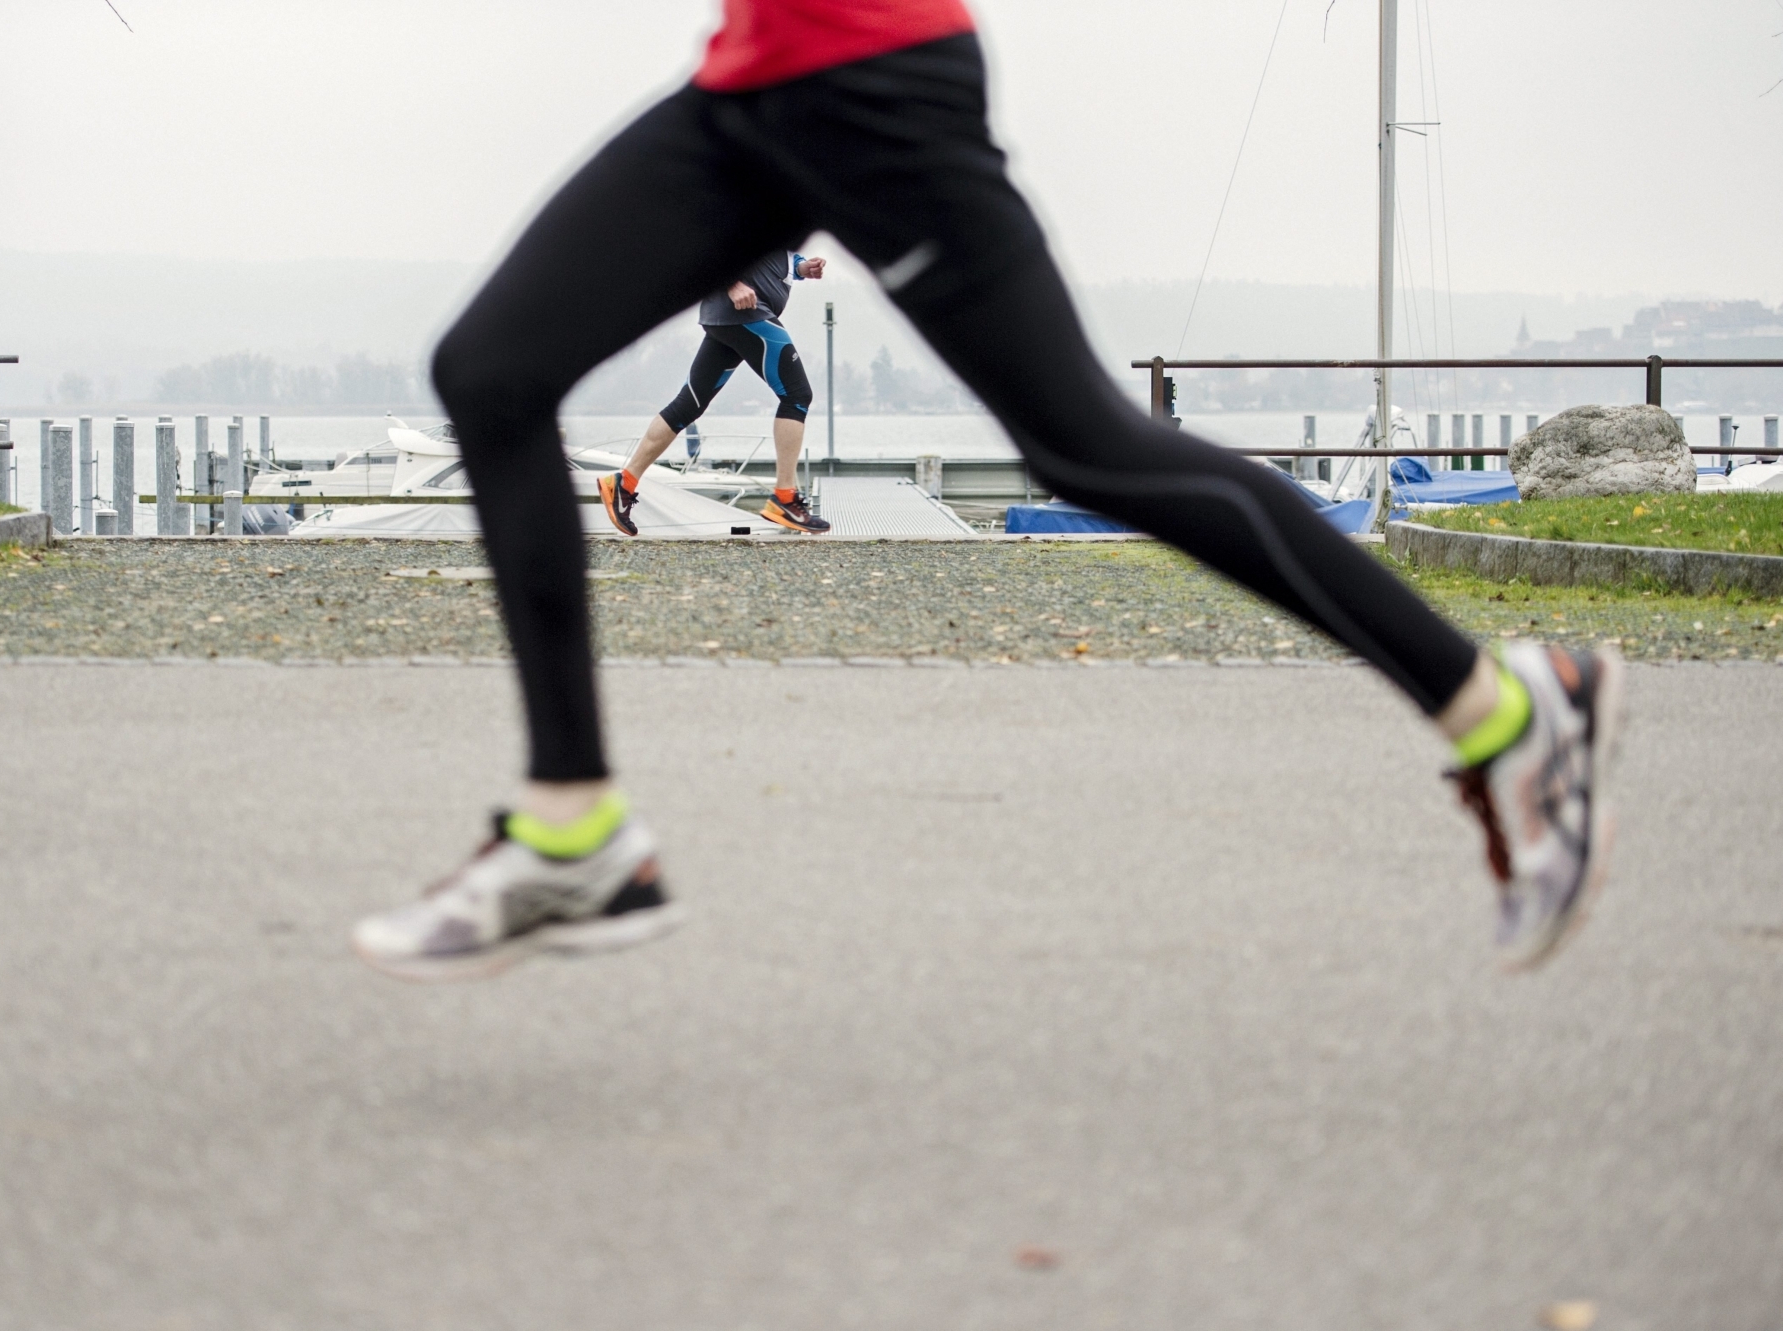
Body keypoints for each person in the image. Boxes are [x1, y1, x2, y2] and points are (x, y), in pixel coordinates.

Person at [351, 0, 1622, 982]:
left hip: (868, 80)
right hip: (753, 80)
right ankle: (574, 833)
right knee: (491, 373)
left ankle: (1502, 706)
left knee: (1086, 448)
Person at [601, 250, 833, 535]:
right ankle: (784, 499)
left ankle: (624, 483)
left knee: (688, 404)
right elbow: (708, 238)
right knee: (797, 395)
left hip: (729, 316)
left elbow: (776, 256)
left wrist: (800, 267)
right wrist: (732, 283)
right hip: (747, 312)